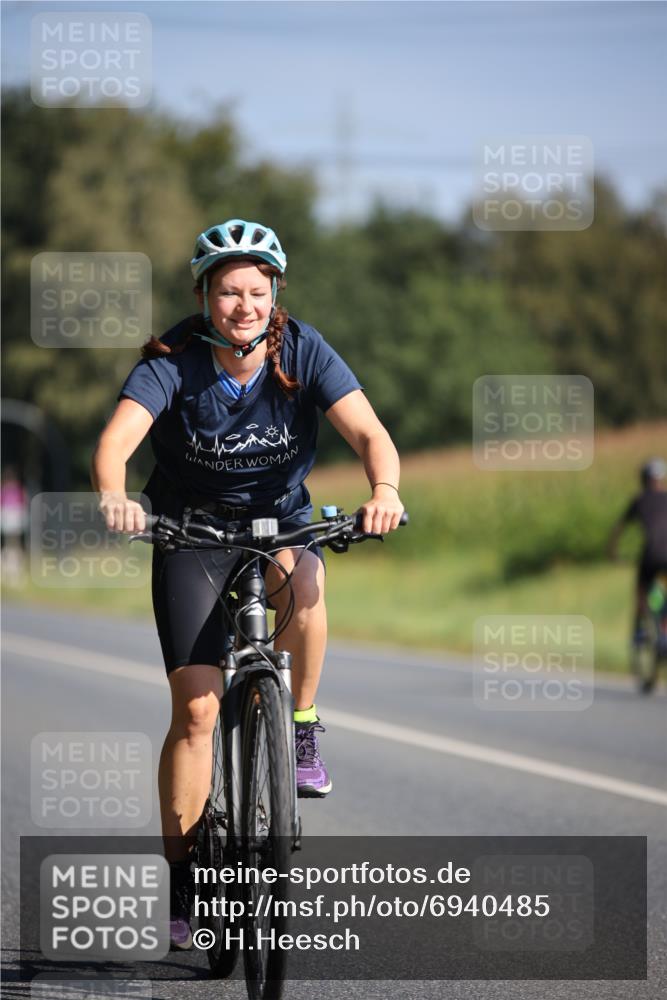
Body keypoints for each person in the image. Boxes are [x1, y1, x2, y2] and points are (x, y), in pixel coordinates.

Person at [91, 218, 404, 948]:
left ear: (275, 294)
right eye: (228, 291)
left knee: (307, 576)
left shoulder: (303, 349)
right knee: (196, 713)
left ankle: (299, 727)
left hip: (278, 524)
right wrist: (115, 493)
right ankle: (183, 884)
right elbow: (116, 442)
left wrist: (384, 487)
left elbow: (368, 433)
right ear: (204, 296)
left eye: (256, 291)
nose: (243, 305)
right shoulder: (173, 359)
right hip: (191, 534)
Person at [607, 458, 667, 642]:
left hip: (651, 554)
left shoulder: (639, 500)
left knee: (642, 590)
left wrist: (612, 551)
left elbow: (619, 527)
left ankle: (641, 631)